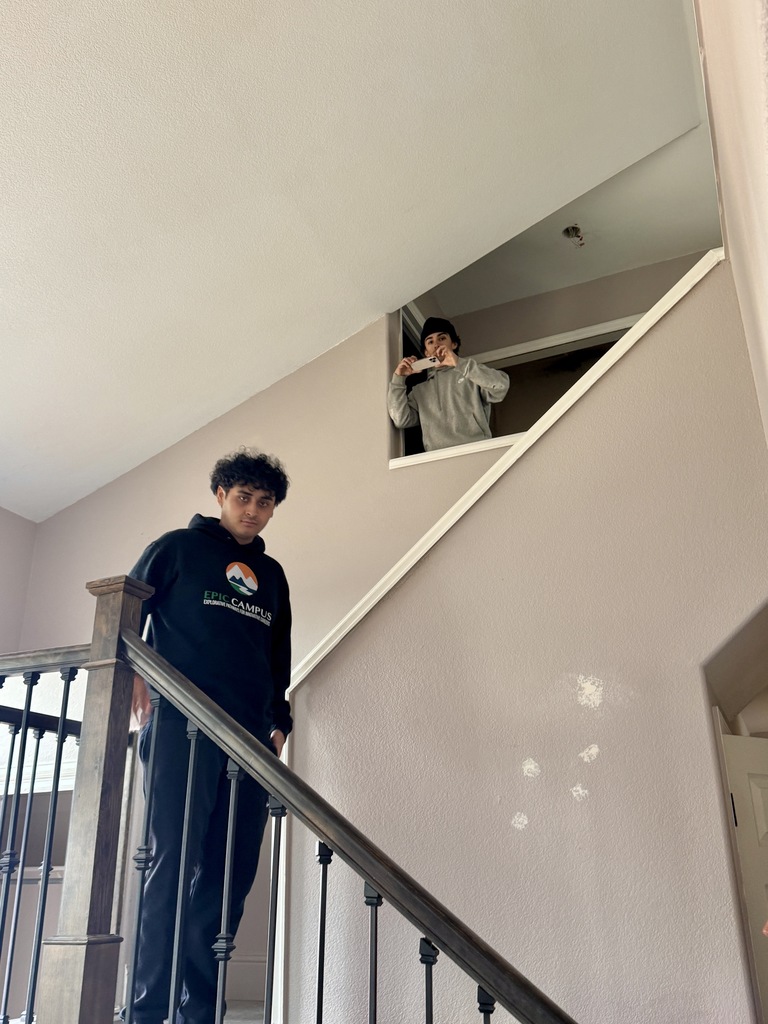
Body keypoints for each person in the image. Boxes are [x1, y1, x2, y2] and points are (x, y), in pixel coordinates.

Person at [126, 449, 292, 1024]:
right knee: (171, 864)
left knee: (228, 879)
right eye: (243, 497)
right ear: (220, 495)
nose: (253, 510)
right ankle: (148, 1008)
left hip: (247, 742)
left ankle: (199, 1011)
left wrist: (278, 723)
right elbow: (125, 613)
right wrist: (131, 676)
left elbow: (278, 655)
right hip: (180, 725)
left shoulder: (270, 576)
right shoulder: (176, 548)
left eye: (265, 502)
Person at [387, 316, 510, 452]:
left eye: (442, 338)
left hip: (477, 450)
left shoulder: (472, 374)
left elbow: (501, 387)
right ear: (426, 352)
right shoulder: (419, 391)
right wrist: (398, 378)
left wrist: (459, 363)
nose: (436, 345)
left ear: (453, 344)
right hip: (439, 459)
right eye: (430, 341)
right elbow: (400, 419)